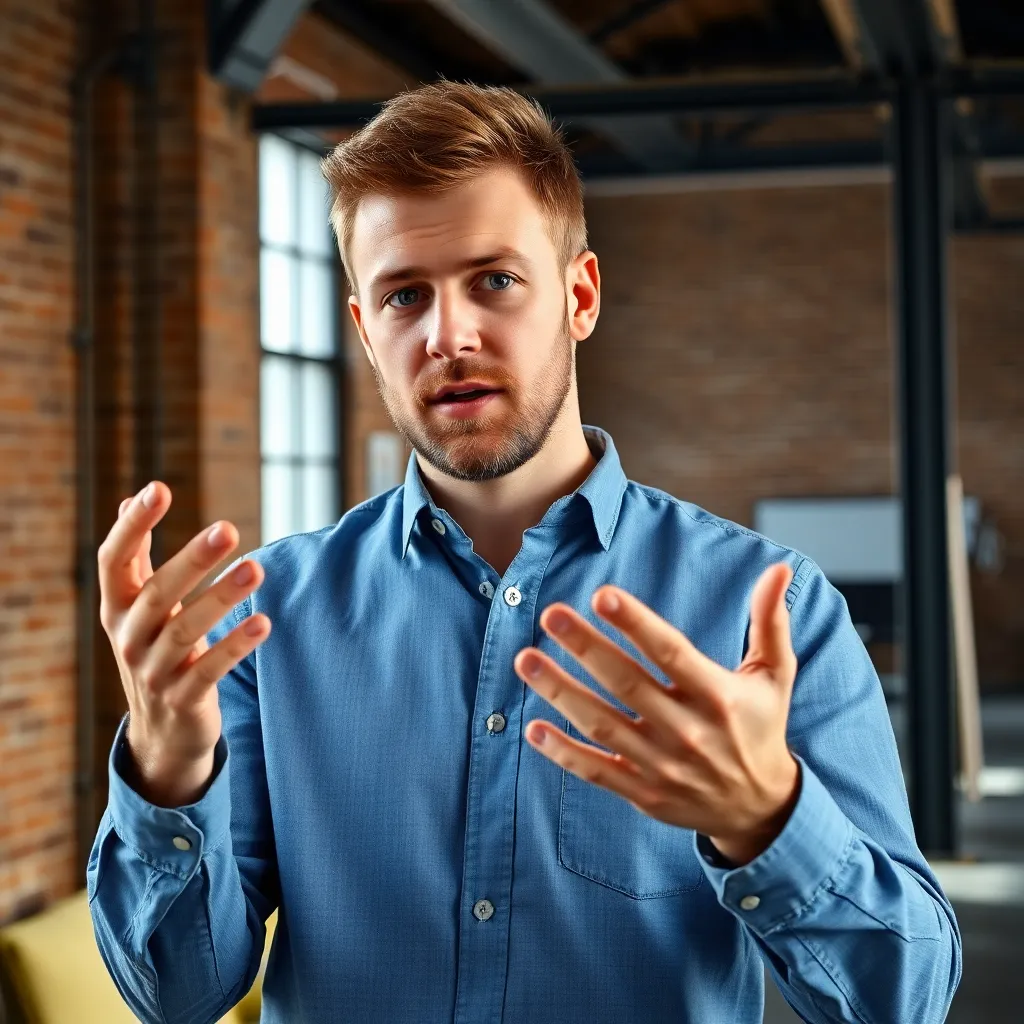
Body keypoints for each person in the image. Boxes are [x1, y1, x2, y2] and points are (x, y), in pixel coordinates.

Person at [88, 81, 961, 1024]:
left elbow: (903, 1002)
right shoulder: (267, 622)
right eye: (404, 295)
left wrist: (768, 820)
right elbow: (174, 998)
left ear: (579, 295)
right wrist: (166, 770)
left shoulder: (769, 610)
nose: (447, 334)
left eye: (494, 281)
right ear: (364, 333)